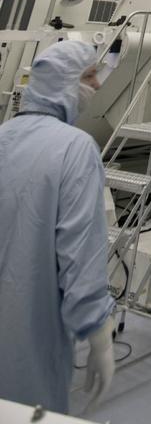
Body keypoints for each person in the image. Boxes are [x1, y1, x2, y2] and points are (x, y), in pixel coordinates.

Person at [0, 40, 115, 414]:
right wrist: (99, 335)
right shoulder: (75, 149)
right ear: (62, 84)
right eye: (88, 76)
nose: (97, 86)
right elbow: (81, 256)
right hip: (28, 340)